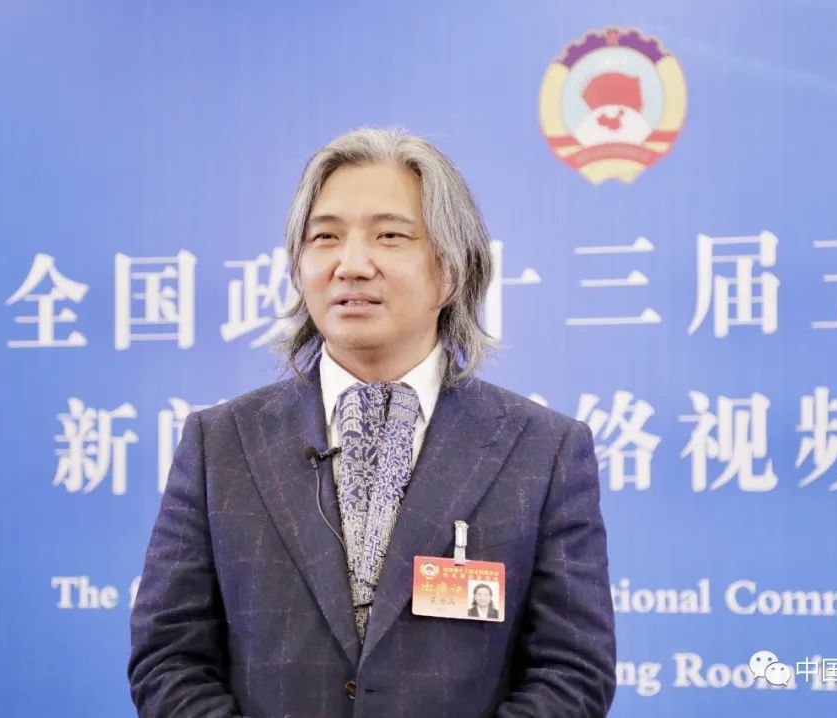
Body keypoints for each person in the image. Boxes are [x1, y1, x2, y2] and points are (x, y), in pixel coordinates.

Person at [128, 127, 617, 717]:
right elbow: (168, 660)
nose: (351, 264)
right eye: (325, 237)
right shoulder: (221, 443)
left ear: (451, 271)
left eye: (390, 236)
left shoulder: (543, 449)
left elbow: (572, 673)